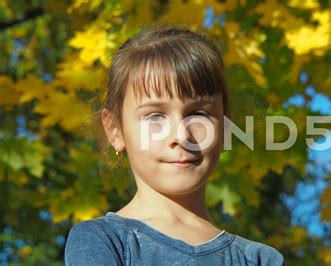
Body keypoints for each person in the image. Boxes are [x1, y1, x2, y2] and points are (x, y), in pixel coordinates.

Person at [64, 24, 285, 265]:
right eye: (154, 116)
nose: (181, 135)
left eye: (198, 114)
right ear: (115, 129)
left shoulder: (260, 259)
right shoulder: (104, 241)